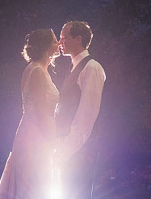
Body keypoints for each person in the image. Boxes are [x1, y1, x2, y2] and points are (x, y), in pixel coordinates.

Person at [0, 28, 61, 199]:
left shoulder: (38, 69)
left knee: (35, 185)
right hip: (36, 135)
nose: (59, 43)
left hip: (31, 131)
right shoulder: (37, 71)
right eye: (55, 41)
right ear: (46, 46)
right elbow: (42, 112)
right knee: (35, 185)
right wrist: (53, 140)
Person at [55, 21, 106, 199]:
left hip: (80, 152)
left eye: (64, 37)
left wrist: (65, 151)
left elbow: (86, 117)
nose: (60, 42)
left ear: (78, 39)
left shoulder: (92, 67)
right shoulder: (73, 67)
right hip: (68, 148)